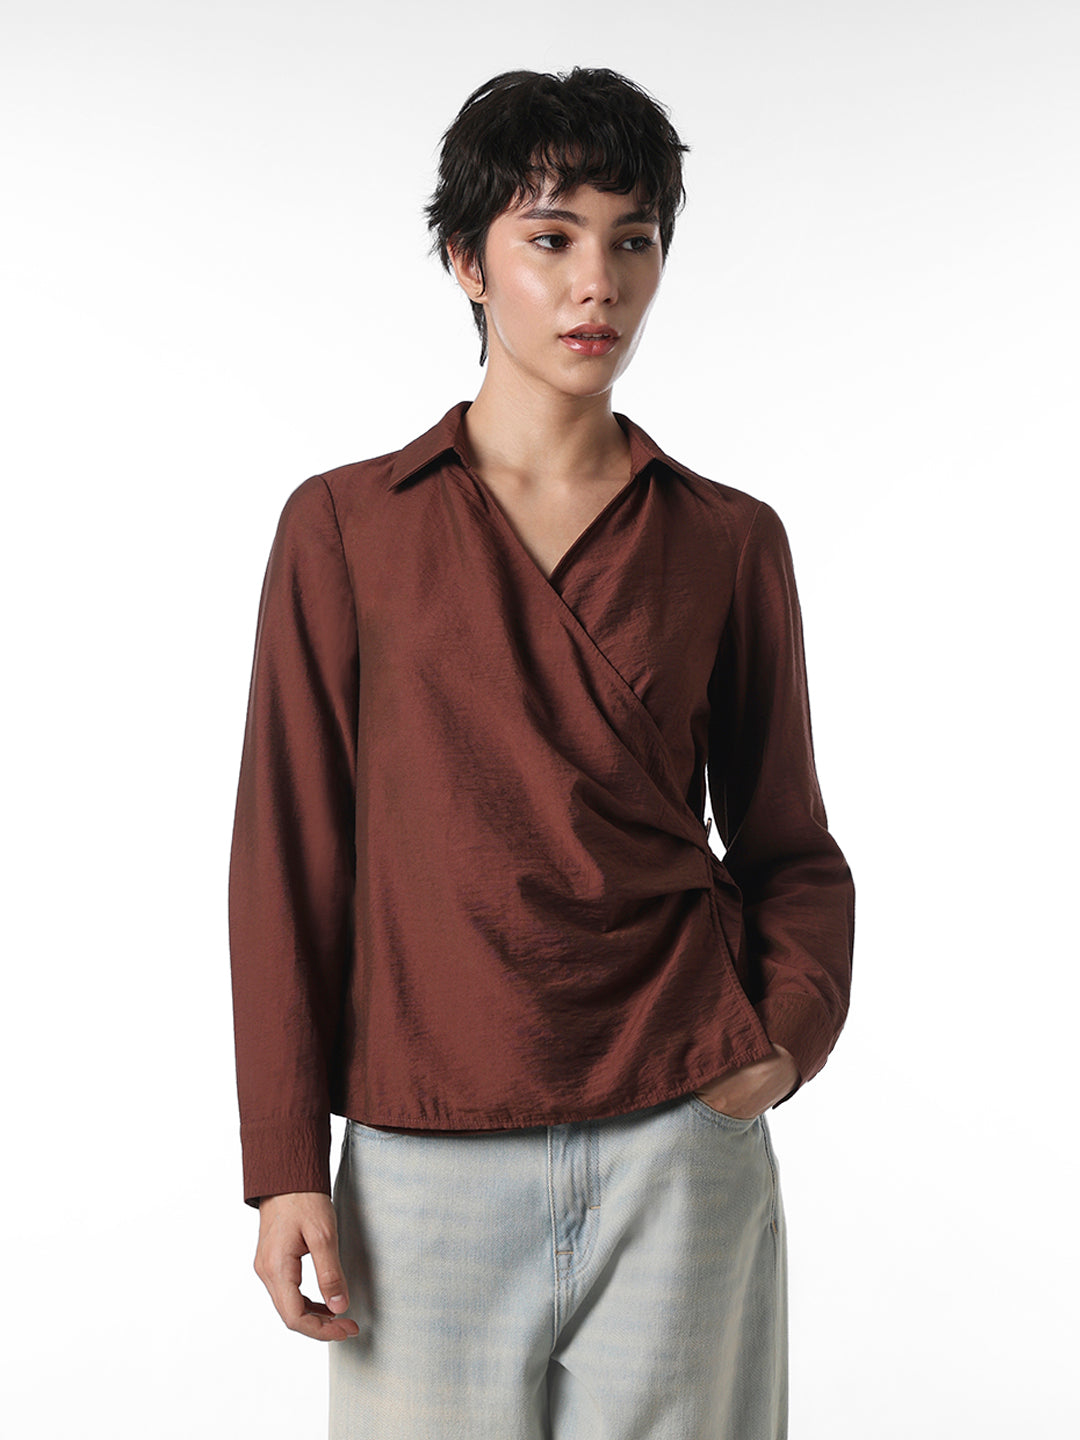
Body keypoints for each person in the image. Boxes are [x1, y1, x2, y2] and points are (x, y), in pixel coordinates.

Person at [228, 66, 855, 1439]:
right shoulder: (346, 530)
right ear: (468, 261)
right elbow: (288, 858)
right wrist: (284, 1160)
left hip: (680, 1132)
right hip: (424, 1153)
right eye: (552, 238)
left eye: (635, 241)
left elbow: (789, 843)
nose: (598, 285)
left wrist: (781, 1043)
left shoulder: (728, 540)